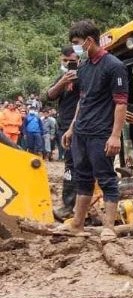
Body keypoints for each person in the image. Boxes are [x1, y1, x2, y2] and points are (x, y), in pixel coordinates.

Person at [61, 20, 129, 239]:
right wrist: (72, 128)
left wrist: (115, 135)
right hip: (81, 132)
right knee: (82, 178)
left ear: (89, 40)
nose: (76, 48)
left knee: (106, 178)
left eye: (77, 43)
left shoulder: (114, 66)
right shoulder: (84, 67)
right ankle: (77, 223)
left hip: (101, 133)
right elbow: (83, 100)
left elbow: (120, 103)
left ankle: (109, 227)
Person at [46, 45, 82, 216]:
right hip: (63, 127)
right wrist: (63, 81)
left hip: (79, 126)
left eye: (72, 61)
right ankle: (68, 205)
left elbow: (84, 102)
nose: (68, 64)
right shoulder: (62, 77)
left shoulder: (85, 76)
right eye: (65, 61)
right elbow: (49, 96)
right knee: (69, 166)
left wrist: (73, 127)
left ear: (79, 60)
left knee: (80, 165)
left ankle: (78, 207)